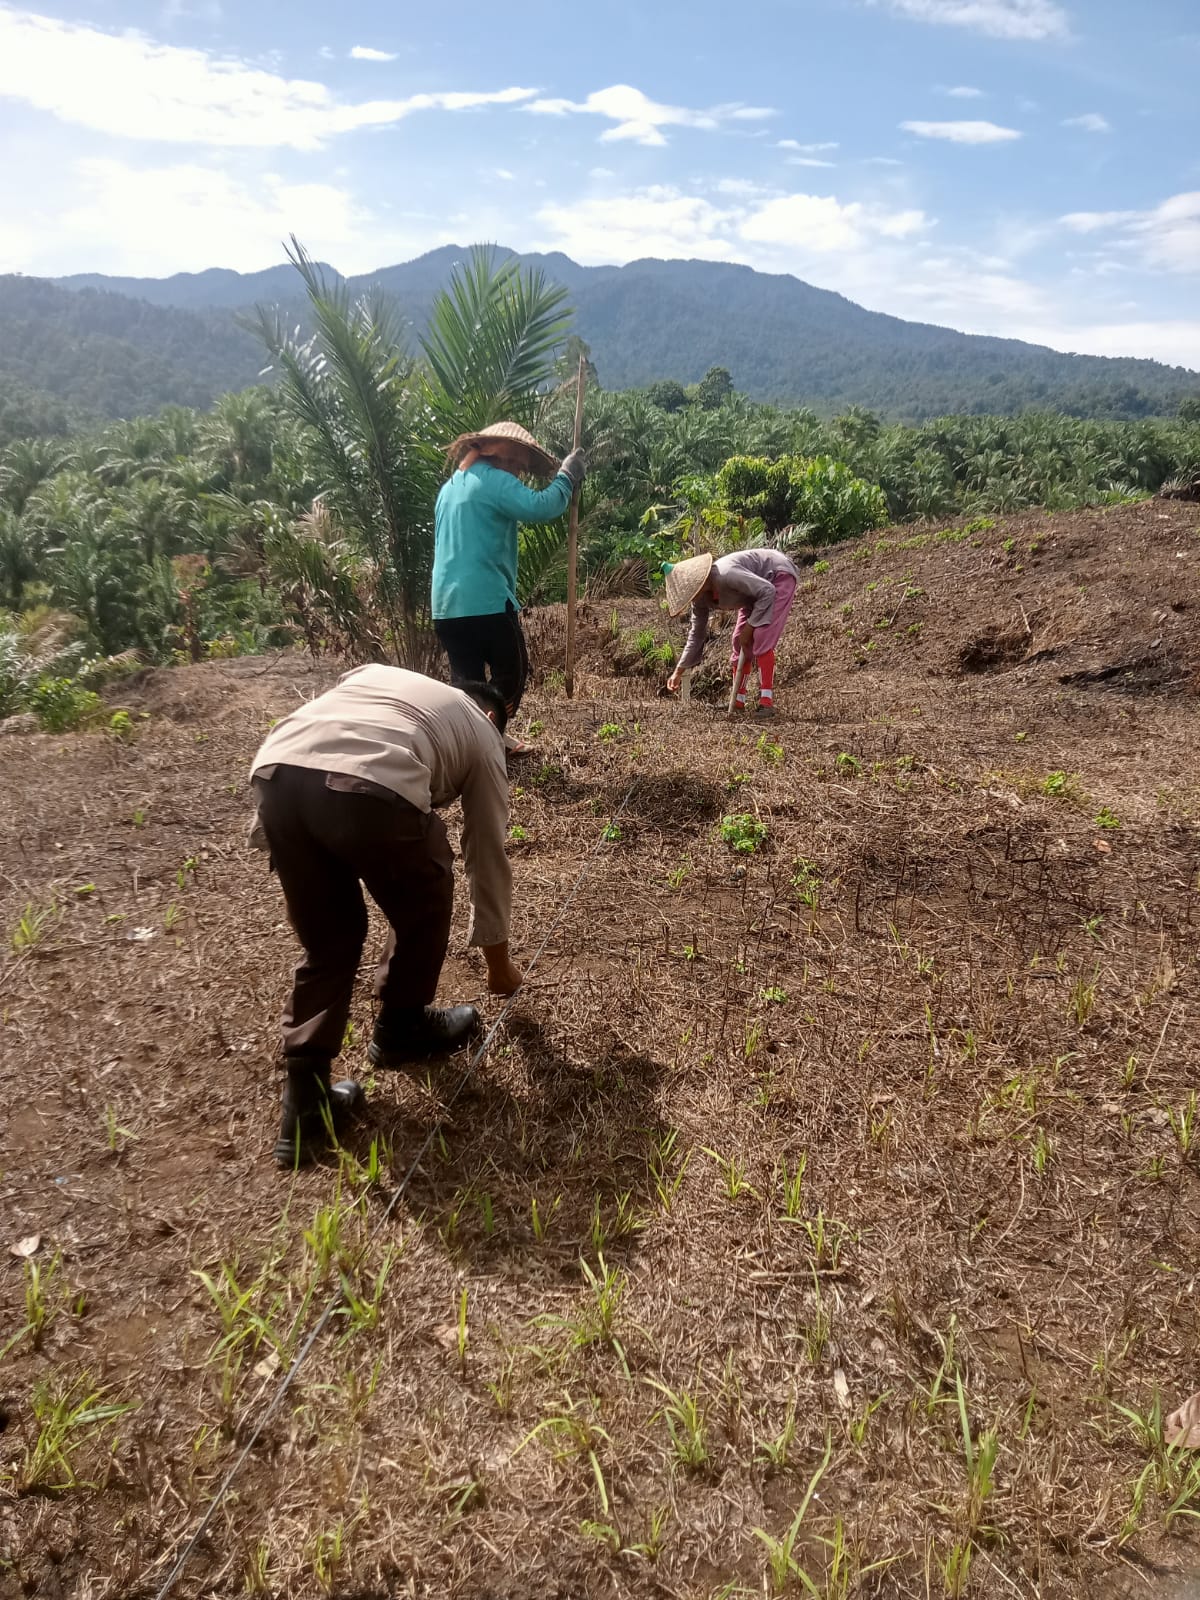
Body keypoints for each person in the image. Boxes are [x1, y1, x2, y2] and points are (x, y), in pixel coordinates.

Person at [248, 665, 522, 1168]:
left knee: (330, 937)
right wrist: (499, 967)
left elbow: (324, 736)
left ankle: (304, 1105)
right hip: (370, 782)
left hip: (276, 770)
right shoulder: (482, 730)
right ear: (490, 715)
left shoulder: (378, 676)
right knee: (426, 890)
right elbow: (488, 852)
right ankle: (402, 1027)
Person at [432, 420, 586, 726]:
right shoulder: (493, 480)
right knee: (512, 673)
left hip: (446, 607)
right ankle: (491, 735)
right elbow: (542, 506)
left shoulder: (451, 487)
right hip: (486, 602)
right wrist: (567, 477)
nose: (518, 474)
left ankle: (472, 741)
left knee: (467, 685)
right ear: (501, 456)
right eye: (517, 466)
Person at [663, 549, 801, 717]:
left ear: (700, 581)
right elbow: (697, 634)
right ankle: (737, 700)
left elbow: (767, 591)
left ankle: (766, 702)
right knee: (738, 639)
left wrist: (750, 627)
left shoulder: (727, 575)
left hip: (777, 576)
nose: (692, 596)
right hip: (754, 594)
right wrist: (678, 671)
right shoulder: (699, 600)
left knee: (761, 636)